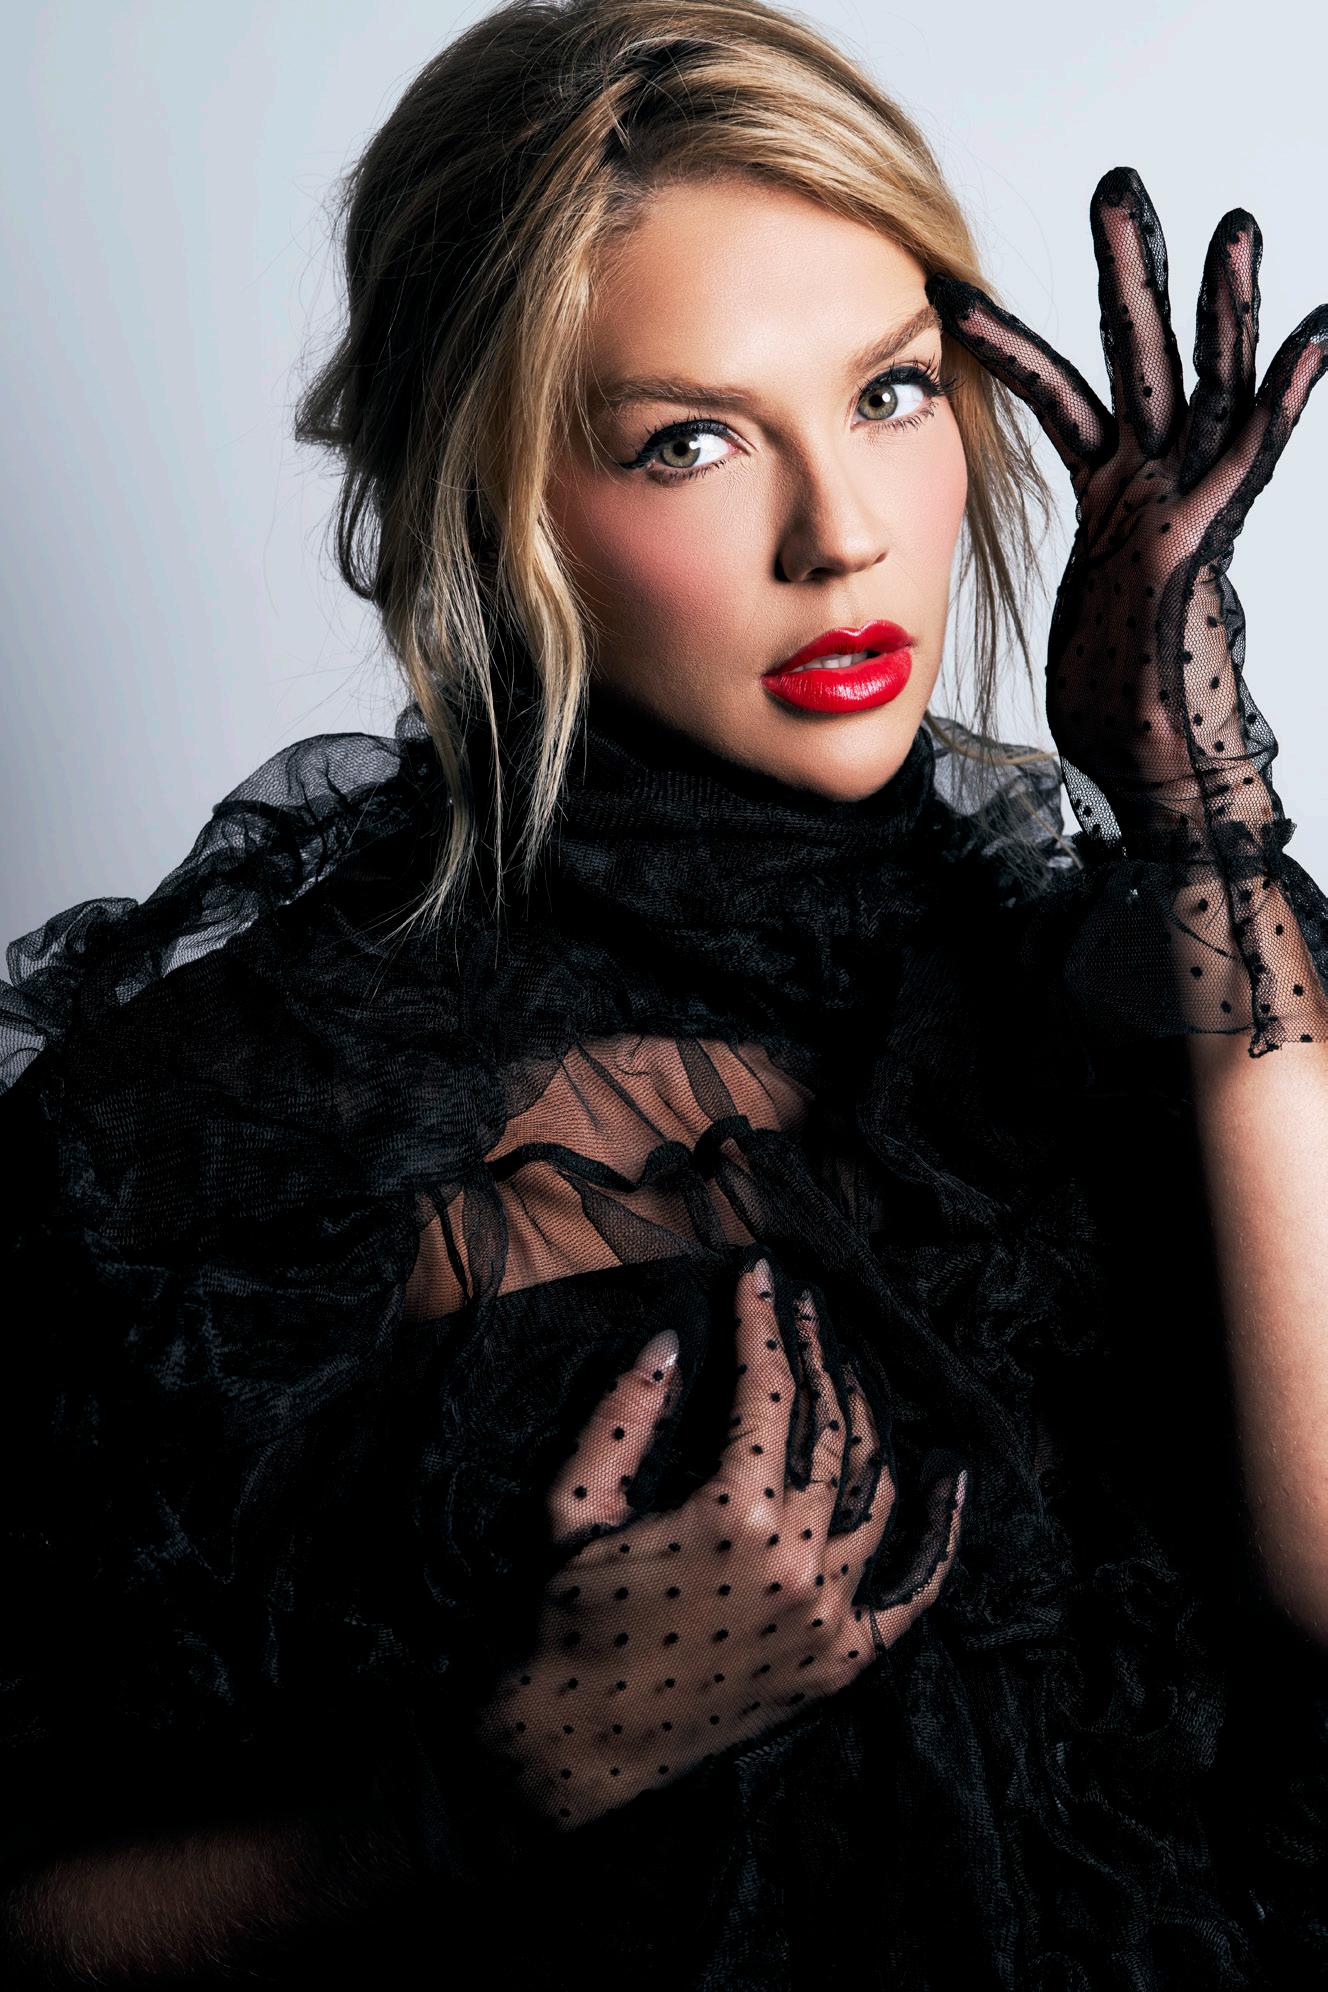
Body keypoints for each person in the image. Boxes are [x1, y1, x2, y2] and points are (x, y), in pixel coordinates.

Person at [3, 1, 1327, 1984]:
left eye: (890, 394)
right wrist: (499, 1781)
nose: (842, 536)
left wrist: (1205, 827)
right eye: (688, 441)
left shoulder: (1141, 971)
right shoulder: (246, 1124)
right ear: (490, 492)